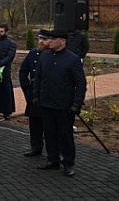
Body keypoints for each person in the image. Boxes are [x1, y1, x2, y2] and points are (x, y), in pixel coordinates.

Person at [33, 29, 86, 177]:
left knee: (65, 135)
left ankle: (68, 163)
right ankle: (52, 159)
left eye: (52, 39)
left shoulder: (72, 59)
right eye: (48, 39)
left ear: (62, 41)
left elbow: (80, 83)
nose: (49, 41)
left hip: (64, 105)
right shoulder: (44, 56)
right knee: (49, 133)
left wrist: (77, 103)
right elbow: (38, 77)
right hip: (46, 102)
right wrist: (36, 95)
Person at [19, 29, 48, 157]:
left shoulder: (52, 55)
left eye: (44, 39)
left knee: (48, 123)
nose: (41, 41)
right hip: (33, 92)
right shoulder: (33, 54)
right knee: (34, 123)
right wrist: (26, 87)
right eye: (40, 38)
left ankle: (53, 151)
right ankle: (35, 147)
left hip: (48, 92)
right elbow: (23, 71)